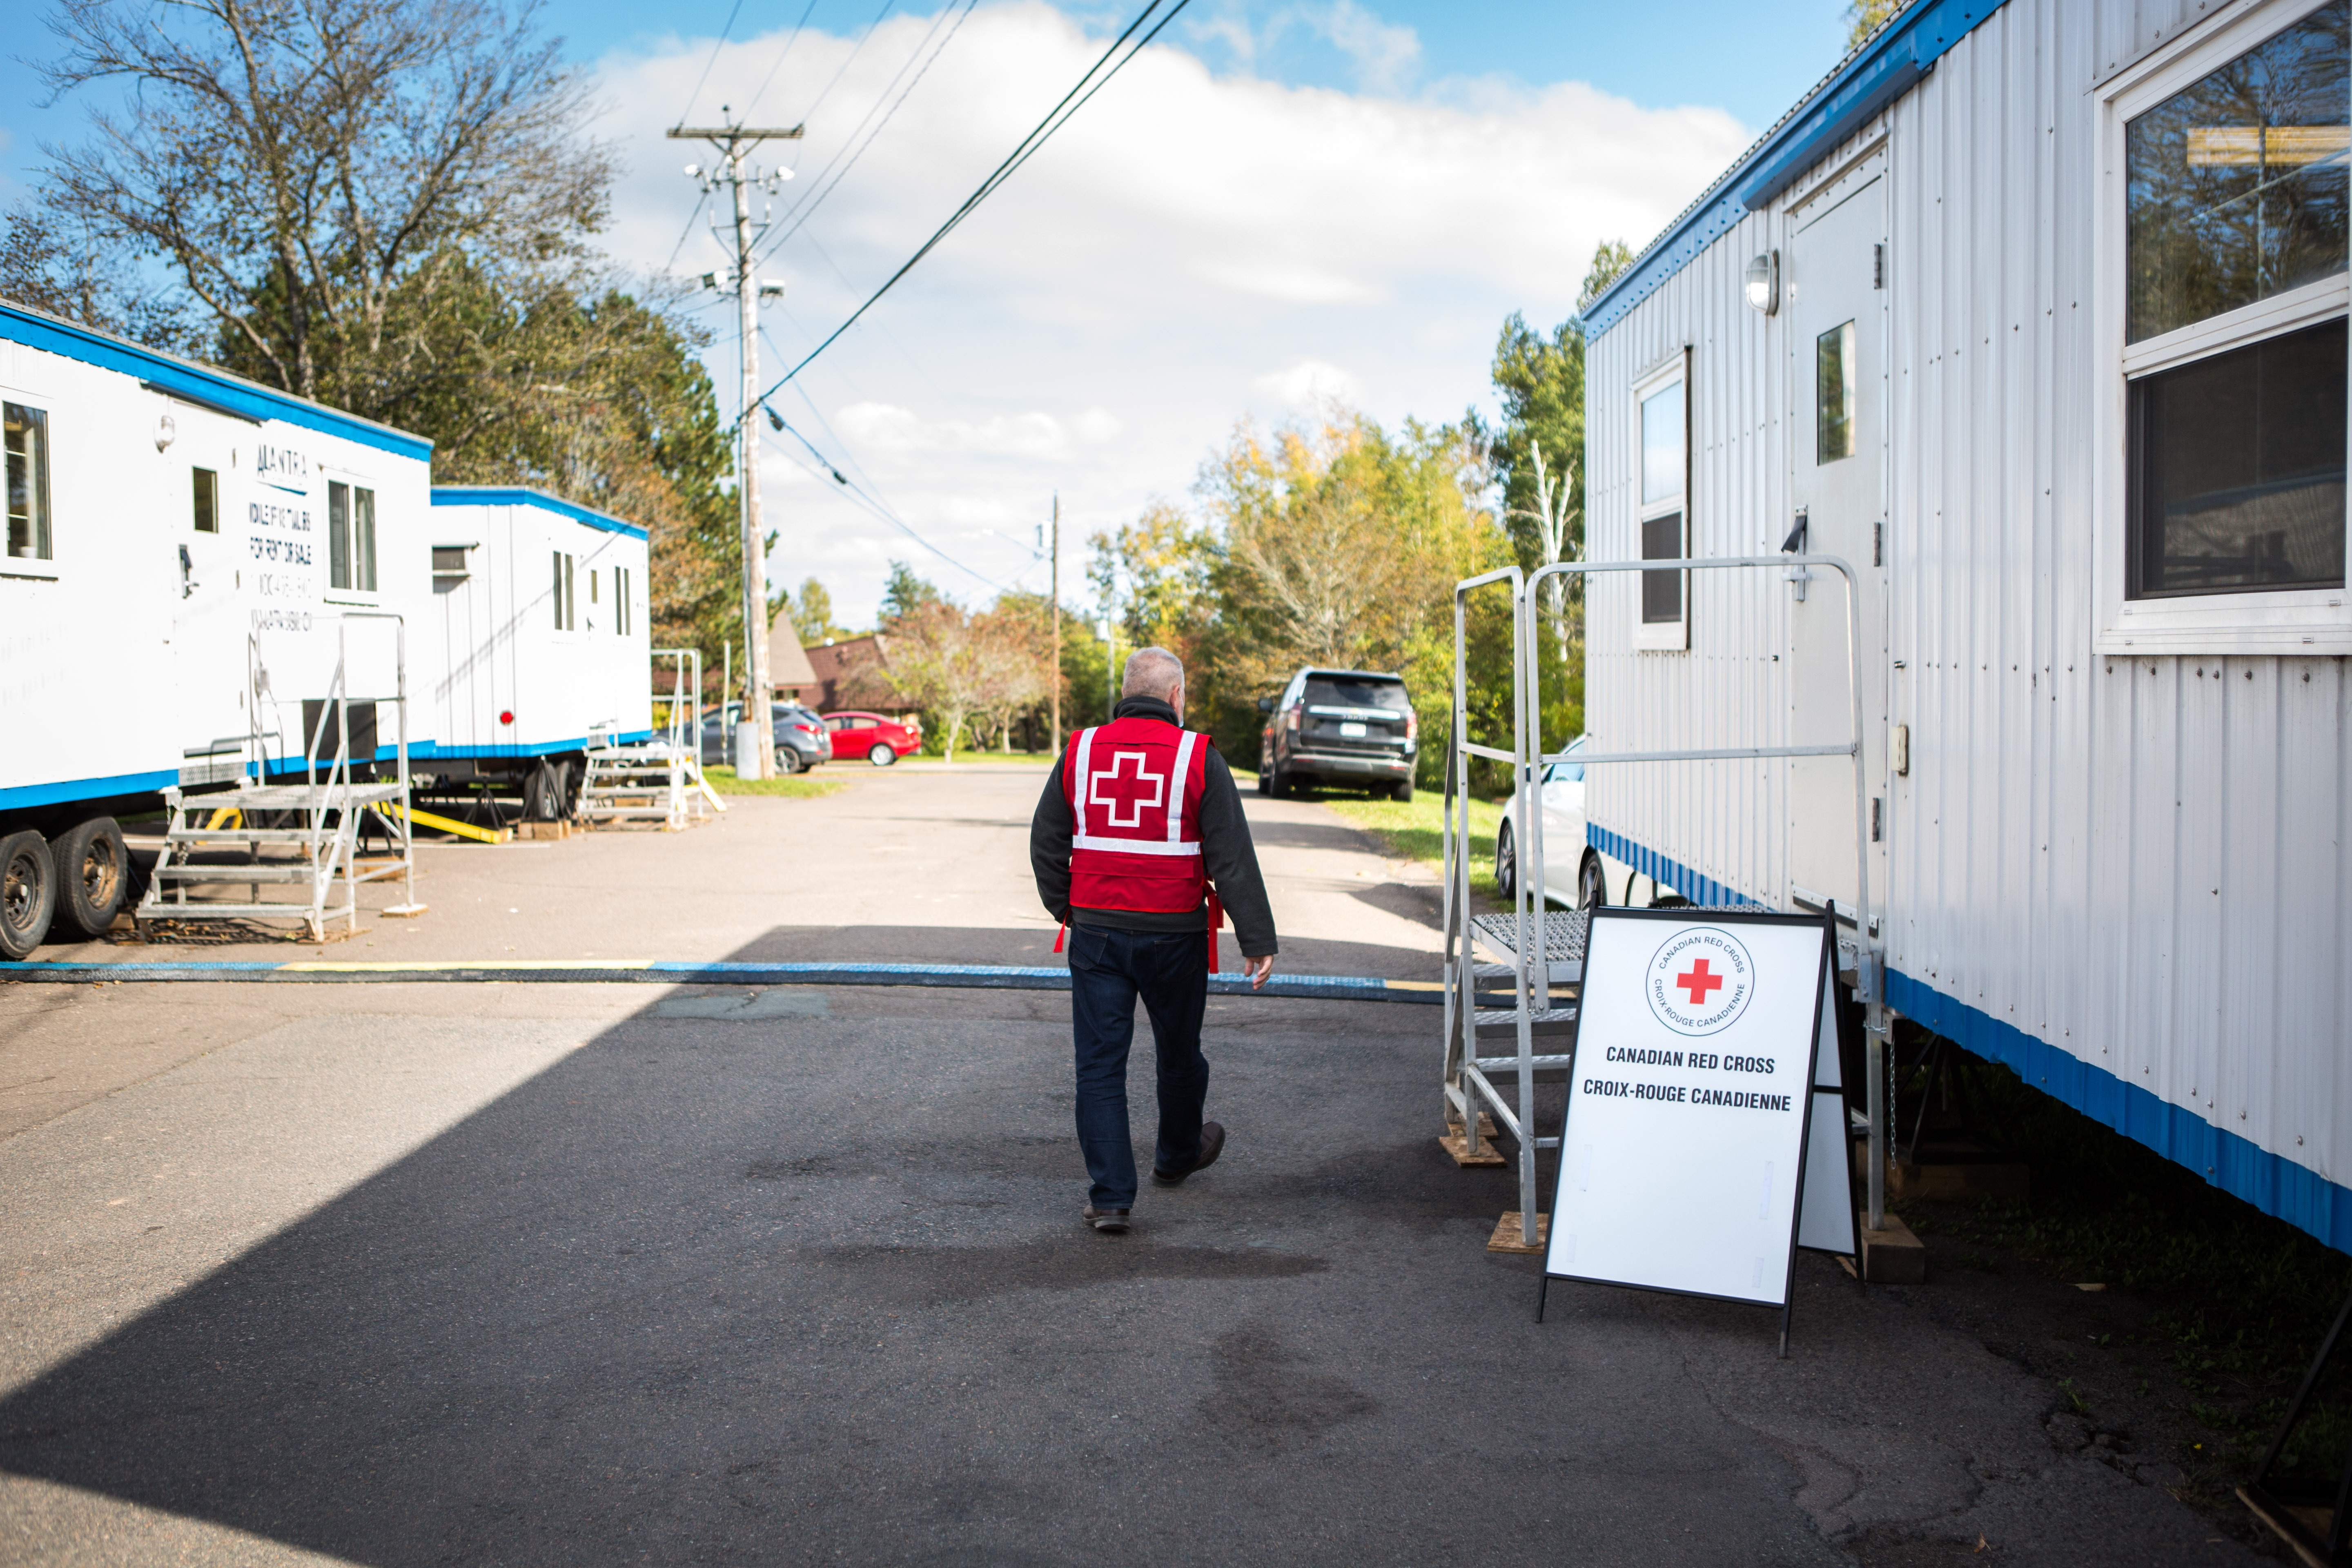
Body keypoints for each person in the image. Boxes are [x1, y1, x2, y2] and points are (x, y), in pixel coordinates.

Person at [1030, 647, 1277, 1234]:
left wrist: (1070, 907)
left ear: (1126, 693)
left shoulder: (1081, 750)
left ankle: (1112, 1197)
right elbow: (1231, 857)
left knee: (1098, 1067)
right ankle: (1176, 1155)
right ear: (1175, 698)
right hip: (1175, 939)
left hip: (1097, 937)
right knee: (1179, 1053)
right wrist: (1257, 937)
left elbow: (1046, 840)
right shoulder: (1199, 756)